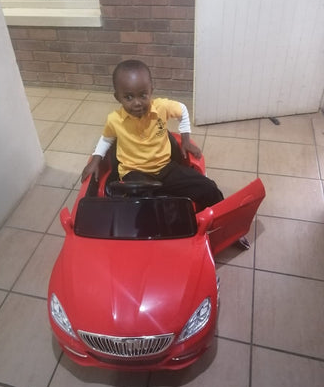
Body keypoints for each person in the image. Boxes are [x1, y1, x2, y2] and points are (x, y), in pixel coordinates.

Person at [81, 59, 249, 248]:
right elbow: (106, 139)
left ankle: (226, 228)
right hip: (133, 173)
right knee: (142, 209)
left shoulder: (161, 107)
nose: (137, 103)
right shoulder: (114, 119)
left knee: (208, 187)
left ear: (152, 89)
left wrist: (185, 139)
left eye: (143, 95)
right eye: (128, 97)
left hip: (165, 168)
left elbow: (183, 110)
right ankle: (154, 241)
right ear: (117, 97)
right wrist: (96, 160)